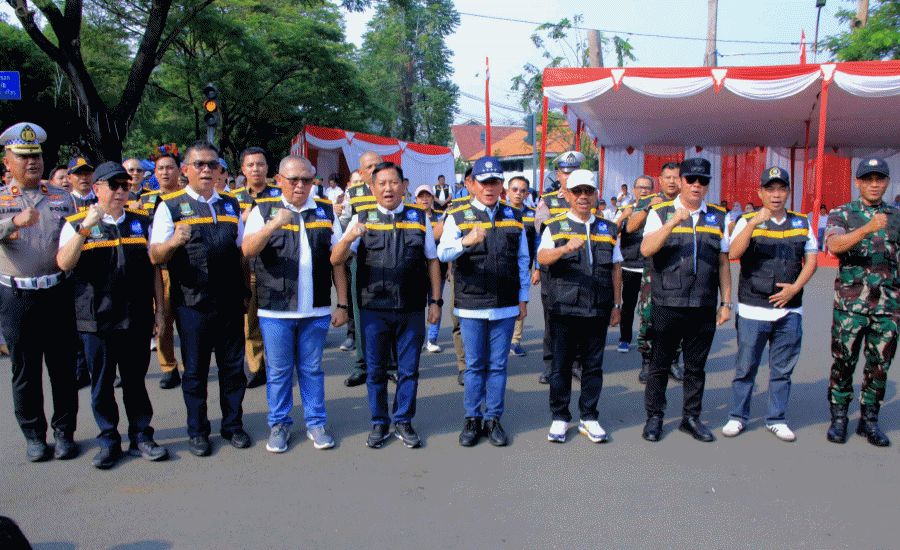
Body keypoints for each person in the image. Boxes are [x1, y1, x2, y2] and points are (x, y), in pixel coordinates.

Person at [57, 161, 168, 469]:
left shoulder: (140, 221)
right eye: (113, 185)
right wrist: (85, 228)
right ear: (96, 189)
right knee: (102, 385)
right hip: (97, 320)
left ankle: (142, 436)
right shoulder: (76, 222)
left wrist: (159, 312)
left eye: (125, 185)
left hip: (136, 317)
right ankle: (108, 440)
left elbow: (155, 270)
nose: (121, 191)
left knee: (135, 382)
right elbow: (64, 263)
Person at [149, 141, 251, 457]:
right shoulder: (170, 206)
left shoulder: (231, 205)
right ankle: (198, 431)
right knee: (195, 372)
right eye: (199, 164)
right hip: (192, 303)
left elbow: (242, 251)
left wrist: (247, 290)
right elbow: (155, 255)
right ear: (186, 170)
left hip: (230, 302)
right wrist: (174, 241)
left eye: (212, 164)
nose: (206, 170)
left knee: (233, 370)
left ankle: (233, 426)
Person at [331, 161, 442, 449]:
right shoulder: (362, 217)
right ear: (373, 188)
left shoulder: (419, 217)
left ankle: (404, 420)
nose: (388, 188)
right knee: (376, 370)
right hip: (373, 308)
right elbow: (336, 259)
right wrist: (351, 236)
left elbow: (432, 260)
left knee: (409, 370)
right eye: (381, 183)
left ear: (404, 186)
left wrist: (436, 301)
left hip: (412, 306)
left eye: (394, 182)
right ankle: (379, 422)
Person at [242, 155, 348, 453]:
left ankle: (316, 422)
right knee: (278, 371)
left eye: (306, 180)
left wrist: (342, 304)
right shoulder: (263, 210)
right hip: (276, 309)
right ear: (279, 181)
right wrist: (273, 224)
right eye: (293, 180)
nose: (300, 185)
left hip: (315, 309)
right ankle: (279, 424)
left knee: (312, 369)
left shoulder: (325, 210)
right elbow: (248, 249)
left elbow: (337, 260)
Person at [0, 122, 80, 462]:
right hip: (17, 297)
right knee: (25, 370)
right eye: (23, 156)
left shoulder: (63, 198)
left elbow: (77, 238)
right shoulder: (2, 200)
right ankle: (35, 435)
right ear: (7, 162)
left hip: (56, 293)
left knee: (63, 369)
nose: (32, 162)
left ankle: (64, 432)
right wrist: (11, 224)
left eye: (36, 156)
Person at [439, 156, 530, 447]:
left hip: (505, 303)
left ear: (501, 185)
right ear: (471, 184)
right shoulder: (458, 216)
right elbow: (442, 254)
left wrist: (523, 298)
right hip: (471, 305)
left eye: (494, 182)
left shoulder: (514, 216)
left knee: (499, 366)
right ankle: (472, 418)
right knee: (475, 366)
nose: (489, 188)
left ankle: (493, 418)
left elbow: (523, 260)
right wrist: (464, 242)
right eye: (483, 182)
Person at [722, 167, 818, 442]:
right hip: (753, 308)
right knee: (746, 367)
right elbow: (734, 254)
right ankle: (738, 416)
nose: (776, 195)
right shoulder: (746, 219)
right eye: (770, 189)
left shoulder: (801, 222)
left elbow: (811, 260)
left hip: (790, 310)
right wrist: (753, 224)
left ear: (788, 192)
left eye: (781, 189)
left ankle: (776, 418)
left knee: (782, 369)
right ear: (761, 193)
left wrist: (795, 288)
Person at [640, 157, 732, 443]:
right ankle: (654, 417)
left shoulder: (718, 216)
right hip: (668, 302)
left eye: (702, 181)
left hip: (703, 305)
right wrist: (672, 222)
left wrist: (727, 302)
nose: (696, 185)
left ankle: (690, 418)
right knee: (660, 365)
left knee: (696, 367)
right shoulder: (660, 211)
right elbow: (646, 249)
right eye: (691, 179)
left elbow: (724, 262)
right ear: (679, 181)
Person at [536, 170, 622, 443]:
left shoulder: (608, 228)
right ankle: (560, 417)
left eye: (589, 191)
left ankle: (589, 417)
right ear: (568, 195)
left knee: (593, 366)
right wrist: (563, 249)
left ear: (596, 194)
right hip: (564, 308)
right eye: (578, 191)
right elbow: (542, 257)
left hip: (598, 307)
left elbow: (616, 268)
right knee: (560, 366)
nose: (583, 196)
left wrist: (617, 304)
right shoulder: (556, 226)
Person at [823, 157, 899, 447]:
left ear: (887, 183)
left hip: (888, 308)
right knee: (844, 362)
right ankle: (839, 418)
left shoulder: (896, 217)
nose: (874, 184)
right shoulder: (842, 214)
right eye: (868, 179)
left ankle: (869, 421)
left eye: (880, 179)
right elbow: (833, 245)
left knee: (880, 366)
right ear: (858, 183)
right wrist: (868, 228)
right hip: (851, 307)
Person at [629, 162, 683, 383]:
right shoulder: (648, 201)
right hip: (654, 268)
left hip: (680, 268)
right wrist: (647, 207)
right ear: (660, 180)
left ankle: (674, 361)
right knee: (648, 315)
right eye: (667, 177)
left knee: (678, 318)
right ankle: (647, 361)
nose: (672, 181)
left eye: (676, 177)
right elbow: (630, 227)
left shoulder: (687, 203)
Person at [534, 150, 585, 384]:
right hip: (554, 267)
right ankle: (550, 363)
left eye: (575, 171)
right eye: (566, 173)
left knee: (580, 318)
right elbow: (542, 225)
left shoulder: (588, 196)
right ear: (559, 175)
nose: (570, 176)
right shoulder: (549, 199)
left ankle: (575, 362)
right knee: (552, 317)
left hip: (581, 267)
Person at [140, 153, 184, 389]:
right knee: (163, 320)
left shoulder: (187, 198)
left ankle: (189, 365)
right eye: (160, 168)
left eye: (170, 167)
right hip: (158, 268)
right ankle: (168, 367)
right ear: (155, 173)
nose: (165, 172)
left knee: (186, 320)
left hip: (185, 266)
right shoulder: (143, 201)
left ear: (180, 171)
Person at [614, 175, 654, 354]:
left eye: (647, 188)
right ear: (634, 189)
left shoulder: (657, 210)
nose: (644, 190)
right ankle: (625, 339)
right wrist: (623, 216)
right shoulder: (625, 209)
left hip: (650, 265)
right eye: (641, 187)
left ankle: (647, 339)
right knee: (628, 304)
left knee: (649, 306)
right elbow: (610, 231)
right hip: (630, 265)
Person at [505, 176, 537, 357]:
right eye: (515, 189)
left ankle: (516, 340)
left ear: (527, 194)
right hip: (503, 264)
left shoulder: (532, 214)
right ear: (507, 191)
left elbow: (538, 242)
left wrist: (538, 268)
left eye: (523, 190)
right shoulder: (499, 211)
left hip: (524, 265)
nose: (518, 193)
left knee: (521, 299)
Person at [414, 184, 447, 353]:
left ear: (433, 198)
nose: (424, 199)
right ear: (416, 199)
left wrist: (449, 267)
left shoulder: (442, 218)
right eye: (421, 196)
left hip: (438, 269)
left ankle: (432, 338)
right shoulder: (411, 218)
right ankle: (418, 337)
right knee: (418, 305)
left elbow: (446, 243)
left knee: (435, 303)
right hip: (417, 271)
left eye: (428, 196)